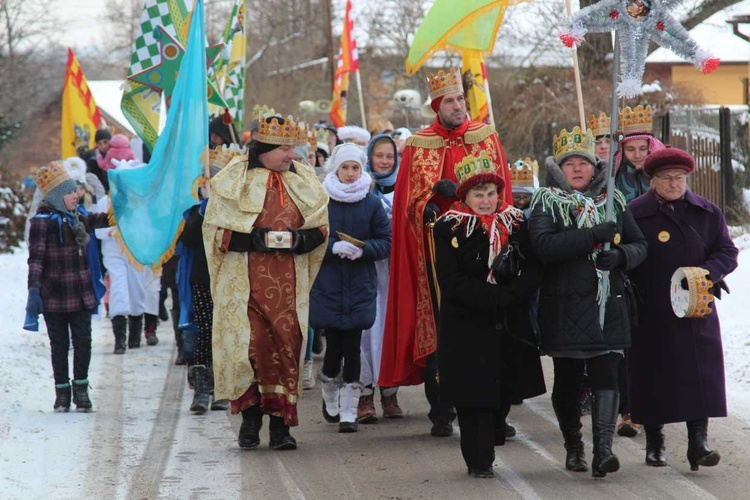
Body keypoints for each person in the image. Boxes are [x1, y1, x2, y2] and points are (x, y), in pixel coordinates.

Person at [378, 68, 513, 437]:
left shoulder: (486, 136)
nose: (457, 107)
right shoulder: (419, 145)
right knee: (443, 329)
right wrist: (429, 204)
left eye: (460, 100)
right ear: (436, 105)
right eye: (449, 101)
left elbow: (504, 195)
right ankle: (441, 408)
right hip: (437, 258)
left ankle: (496, 412)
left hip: (485, 248)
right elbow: (407, 204)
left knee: (489, 327)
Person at [203, 115, 329, 450]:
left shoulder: (303, 178)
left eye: (292, 147)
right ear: (265, 149)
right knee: (251, 351)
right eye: (284, 148)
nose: (292, 154)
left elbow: (321, 227)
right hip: (246, 286)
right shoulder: (234, 177)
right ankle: (250, 421)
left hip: (288, 287)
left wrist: (303, 241)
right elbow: (215, 230)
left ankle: (280, 428)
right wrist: (252, 239)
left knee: (285, 351)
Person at [528, 126, 647, 478]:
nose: (577, 169)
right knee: (566, 381)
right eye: (570, 164)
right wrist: (593, 236)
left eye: (584, 163)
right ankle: (574, 446)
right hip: (565, 306)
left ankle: (604, 451)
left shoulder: (613, 202)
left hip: (607, 305)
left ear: (595, 168)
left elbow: (641, 245)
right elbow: (544, 247)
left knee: (607, 376)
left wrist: (622, 256)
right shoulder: (546, 202)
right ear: (558, 169)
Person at [433, 152, 545, 478]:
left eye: (491, 194)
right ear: (465, 197)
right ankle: (478, 460)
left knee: (502, 389)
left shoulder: (516, 221)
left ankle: (495, 431)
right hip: (467, 321)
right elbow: (451, 280)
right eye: (478, 195)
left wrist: (514, 294)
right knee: (473, 396)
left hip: (509, 318)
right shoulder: (449, 227)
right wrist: (495, 296)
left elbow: (534, 266)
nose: (486, 200)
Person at [627, 147, 738, 470]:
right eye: (666, 178)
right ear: (653, 181)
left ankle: (698, 442)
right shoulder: (636, 212)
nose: (674, 184)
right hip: (651, 306)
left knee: (698, 374)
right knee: (651, 374)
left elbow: (727, 251)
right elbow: (628, 253)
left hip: (695, 306)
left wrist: (708, 273)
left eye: (679, 178)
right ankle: (655, 441)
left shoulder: (707, 212)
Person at [312, 143, 391, 432]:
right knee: (334, 348)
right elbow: (311, 236)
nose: (349, 173)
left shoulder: (371, 203)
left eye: (355, 168)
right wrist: (333, 246)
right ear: (335, 168)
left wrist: (363, 250)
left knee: (354, 346)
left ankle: (349, 410)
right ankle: (330, 391)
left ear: (362, 170)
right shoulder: (322, 200)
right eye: (344, 167)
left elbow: (386, 240)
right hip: (329, 283)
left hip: (360, 284)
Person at [26, 161, 110, 412]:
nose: (76, 195)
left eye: (76, 191)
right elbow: (36, 259)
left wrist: (120, 207)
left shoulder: (79, 217)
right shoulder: (42, 222)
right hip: (54, 295)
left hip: (81, 292)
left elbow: (100, 219)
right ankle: (62, 391)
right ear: (56, 196)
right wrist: (33, 290)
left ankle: (81, 390)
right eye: (70, 192)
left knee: (83, 341)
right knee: (59, 344)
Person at [613, 104, 666, 438]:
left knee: (657, 340)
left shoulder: (661, 178)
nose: (636, 155)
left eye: (642, 149)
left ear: (652, 147)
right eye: (630, 149)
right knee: (627, 342)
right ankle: (629, 408)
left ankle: (659, 403)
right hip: (626, 264)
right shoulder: (614, 178)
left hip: (658, 263)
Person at [357, 134, 403, 423]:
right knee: (364, 331)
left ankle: (389, 391)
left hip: (392, 272)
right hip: (364, 270)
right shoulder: (359, 189)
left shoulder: (403, 190)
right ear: (369, 157)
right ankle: (364, 393)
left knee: (388, 330)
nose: (385, 161)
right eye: (379, 156)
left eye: (390, 156)